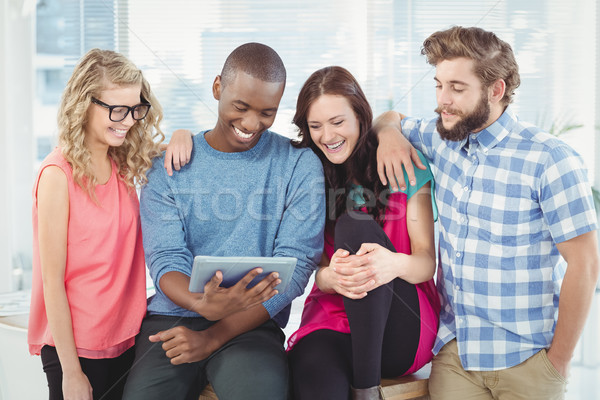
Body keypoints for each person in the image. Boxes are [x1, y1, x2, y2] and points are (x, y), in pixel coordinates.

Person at [373, 26, 599, 400]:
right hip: (456, 360)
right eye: (438, 85)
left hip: (529, 361)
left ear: (496, 90)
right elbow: (388, 117)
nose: (442, 100)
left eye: (457, 88)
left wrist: (557, 362)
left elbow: (586, 265)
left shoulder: (550, 159)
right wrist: (389, 134)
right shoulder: (439, 135)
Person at [121, 42, 325, 400]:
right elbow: (166, 258)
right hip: (173, 316)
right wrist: (200, 305)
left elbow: (296, 268)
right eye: (241, 107)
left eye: (267, 112)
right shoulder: (167, 166)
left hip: (252, 323)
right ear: (218, 88)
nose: (251, 124)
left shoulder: (298, 164)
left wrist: (212, 336)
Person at [285, 66, 440, 400]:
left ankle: (367, 388)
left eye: (337, 122)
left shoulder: (403, 164)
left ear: (359, 117)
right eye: (315, 126)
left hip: (399, 326)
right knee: (315, 380)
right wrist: (331, 279)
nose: (327, 136)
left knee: (354, 225)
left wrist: (392, 265)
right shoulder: (309, 172)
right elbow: (320, 270)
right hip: (334, 318)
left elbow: (426, 262)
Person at [28, 49, 166, 400]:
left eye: (135, 109)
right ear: (83, 104)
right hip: (76, 351)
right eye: (116, 110)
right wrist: (71, 373)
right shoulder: (58, 175)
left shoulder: (121, 161)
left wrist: (179, 136)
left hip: (124, 340)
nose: (128, 120)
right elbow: (51, 280)